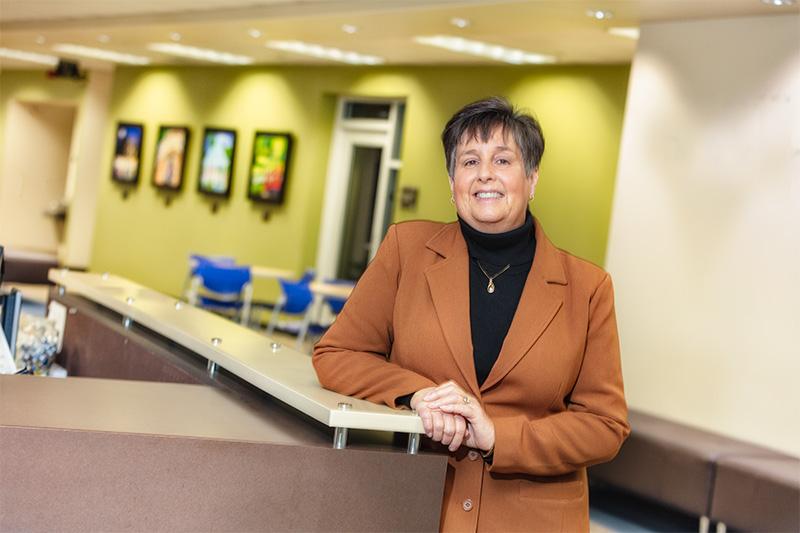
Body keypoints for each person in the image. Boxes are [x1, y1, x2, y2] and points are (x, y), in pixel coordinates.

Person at [313, 97, 629, 532]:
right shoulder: (406, 250)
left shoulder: (588, 287)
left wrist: (499, 435)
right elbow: (337, 353)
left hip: (533, 520)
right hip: (416, 502)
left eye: (503, 160)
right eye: (469, 161)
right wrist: (417, 394)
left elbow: (605, 425)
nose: (485, 174)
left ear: (532, 178)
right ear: (452, 180)